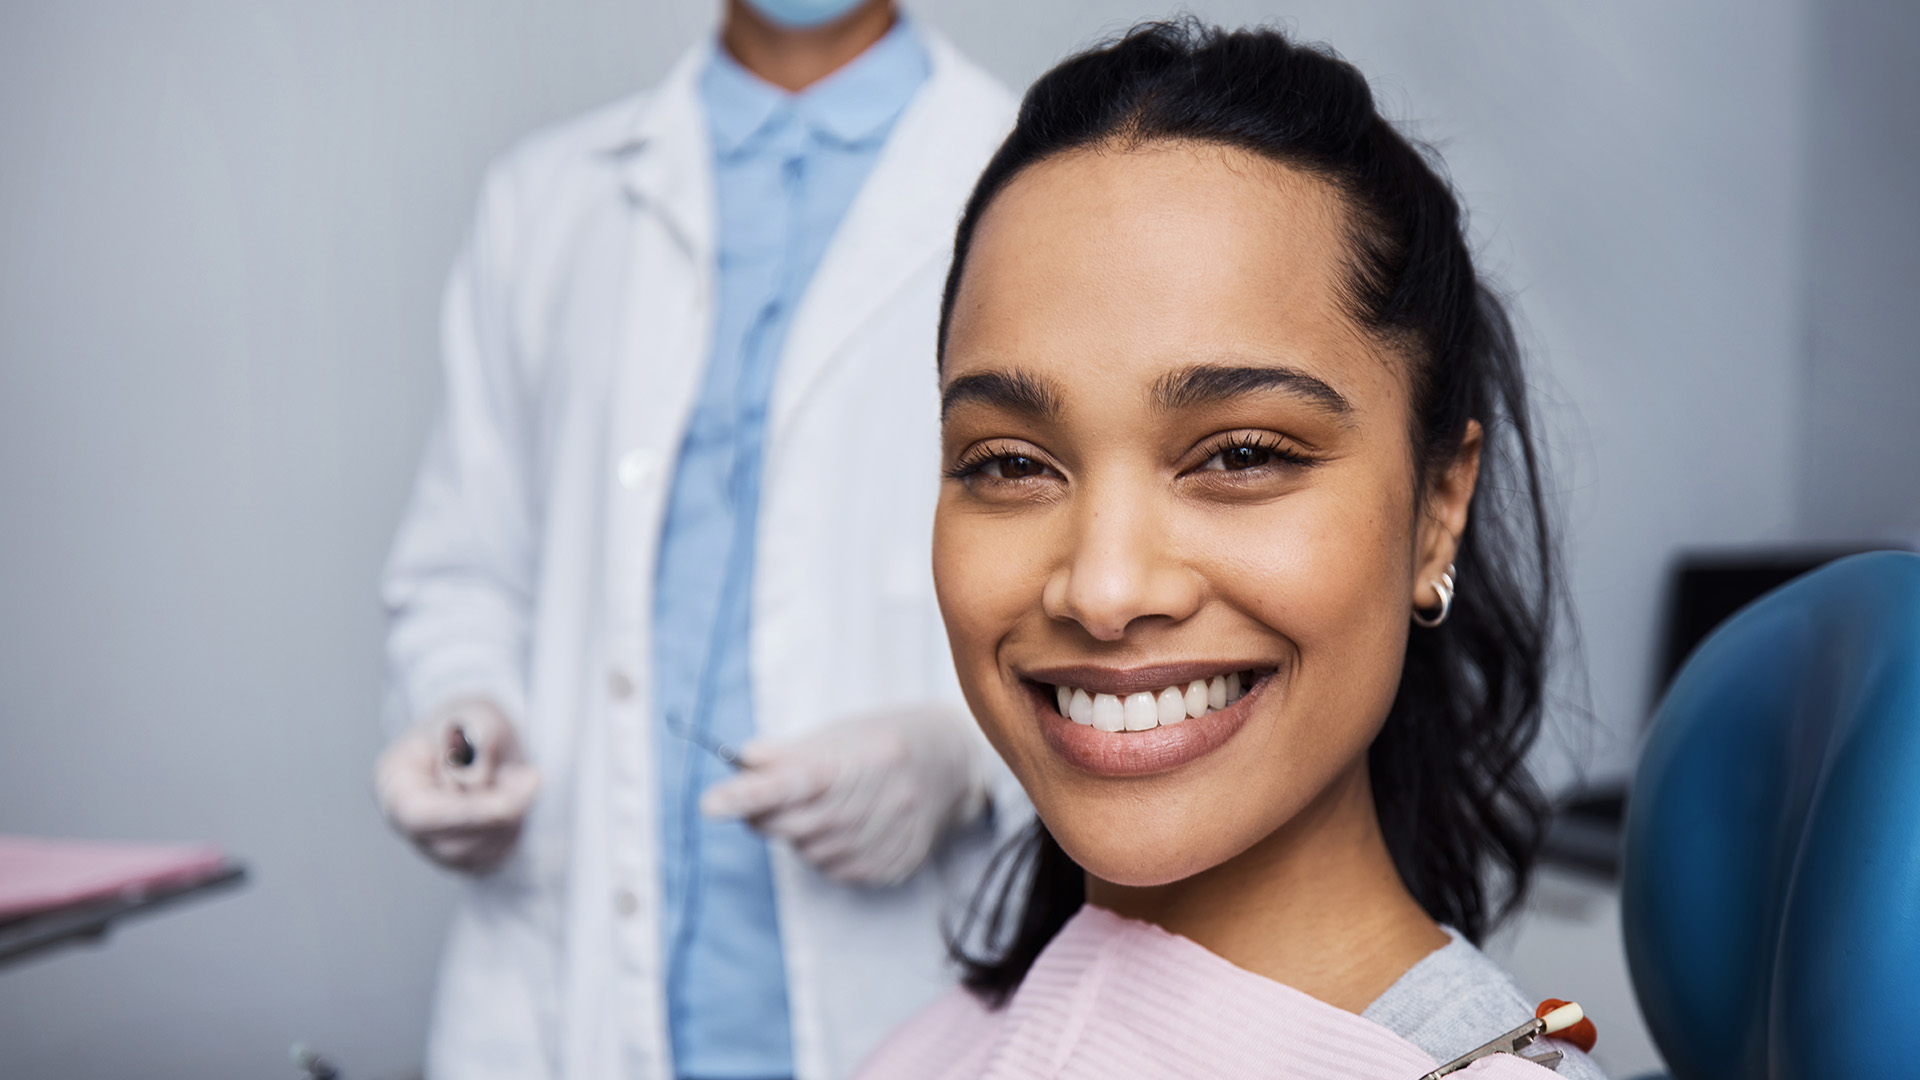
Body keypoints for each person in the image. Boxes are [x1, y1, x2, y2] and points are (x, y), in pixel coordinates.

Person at [855, 20, 1607, 1080]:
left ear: (1439, 505)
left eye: (1243, 453)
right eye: (1012, 464)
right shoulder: (929, 1052)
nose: (1105, 590)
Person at [371, 2, 1022, 1078]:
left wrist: (965, 760)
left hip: (906, 992)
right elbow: (463, 570)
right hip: (566, 995)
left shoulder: (1029, 182)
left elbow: (1110, 588)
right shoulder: (547, 200)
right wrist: (465, 709)